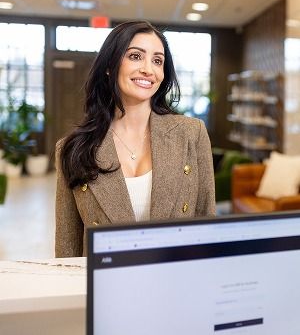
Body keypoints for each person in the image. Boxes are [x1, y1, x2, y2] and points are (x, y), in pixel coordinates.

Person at [55, 20, 216, 257]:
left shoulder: (191, 134)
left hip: (177, 283)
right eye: (135, 56)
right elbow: (66, 249)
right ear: (110, 65)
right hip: (108, 287)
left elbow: (206, 226)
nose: (148, 69)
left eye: (157, 60)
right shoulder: (73, 148)